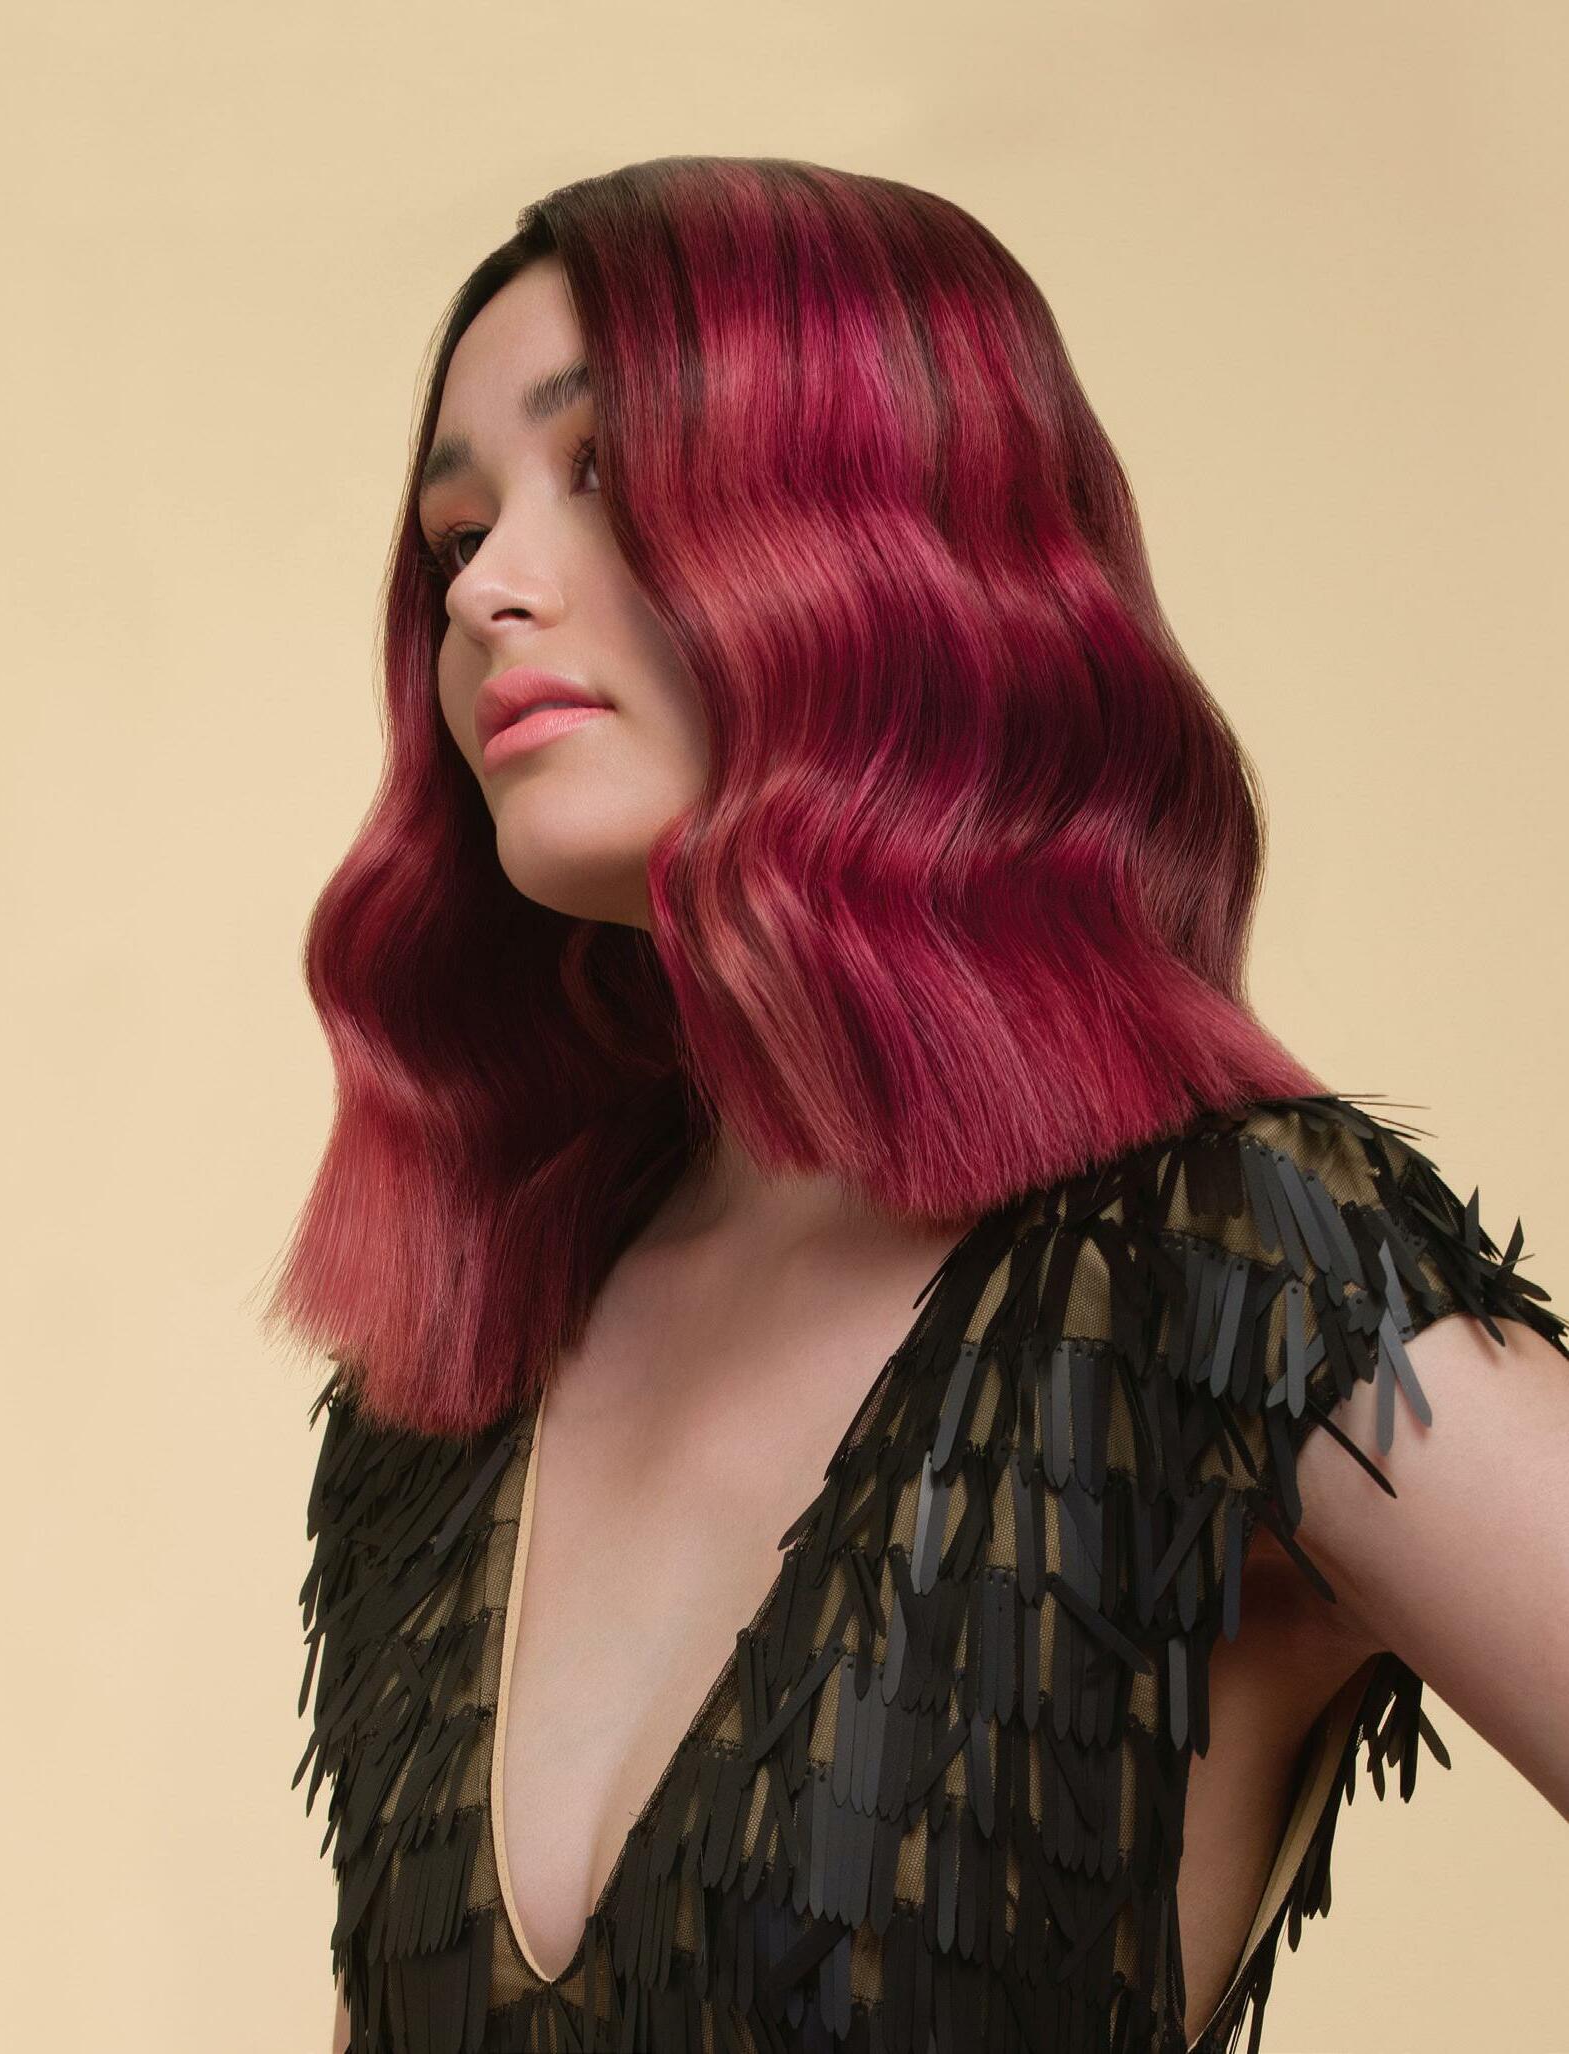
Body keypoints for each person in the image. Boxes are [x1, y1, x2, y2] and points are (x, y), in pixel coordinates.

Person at [273, 156, 1569, 2054]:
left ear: (889, 529)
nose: (482, 587)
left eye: (602, 470)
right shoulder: (458, 1373)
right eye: (454, 530)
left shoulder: (1219, 1278)